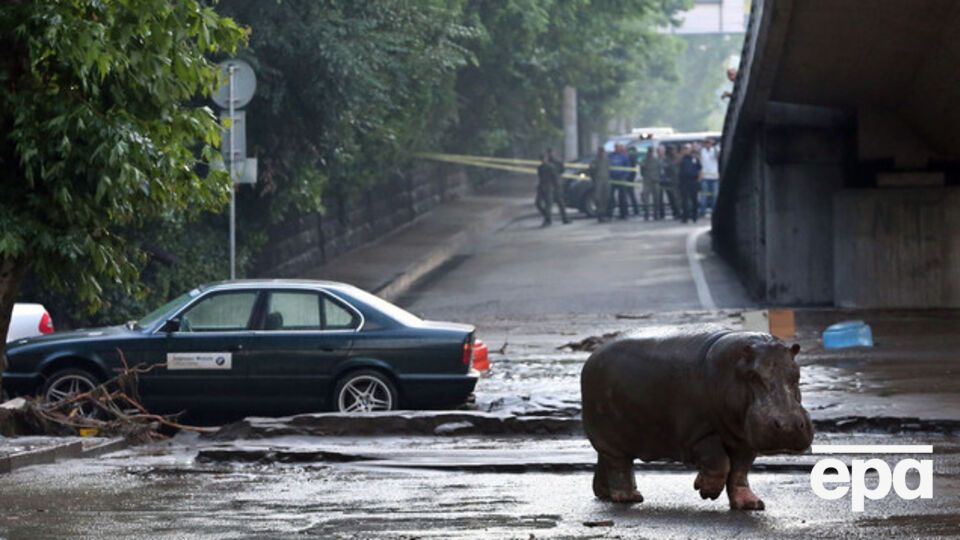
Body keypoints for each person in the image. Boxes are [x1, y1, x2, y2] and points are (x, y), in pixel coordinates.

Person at [537, 152, 570, 226]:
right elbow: (541, 178)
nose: (543, 160)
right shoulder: (541, 167)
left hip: (552, 187)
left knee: (557, 203)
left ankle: (561, 219)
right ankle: (549, 219)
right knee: (546, 204)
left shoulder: (551, 166)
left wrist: (558, 187)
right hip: (547, 187)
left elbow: (556, 177)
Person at [678, 143, 702, 223]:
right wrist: (682, 154)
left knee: (694, 199)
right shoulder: (682, 158)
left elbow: (700, 169)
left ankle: (695, 216)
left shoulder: (695, 158)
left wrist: (699, 179)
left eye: (688, 149)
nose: (687, 150)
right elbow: (677, 163)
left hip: (693, 181)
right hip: (684, 181)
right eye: (685, 149)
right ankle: (685, 217)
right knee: (684, 200)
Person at [608, 143, 632, 220]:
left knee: (622, 197)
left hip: (621, 179)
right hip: (612, 179)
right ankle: (609, 213)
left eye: (618, 148)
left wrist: (625, 177)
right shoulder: (611, 156)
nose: (617, 149)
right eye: (616, 148)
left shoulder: (624, 157)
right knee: (610, 197)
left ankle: (624, 214)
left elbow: (627, 168)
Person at [699, 138, 720, 217]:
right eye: (706, 143)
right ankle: (702, 211)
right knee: (704, 195)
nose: (708, 144)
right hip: (705, 177)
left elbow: (717, 156)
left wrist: (714, 146)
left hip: (714, 177)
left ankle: (714, 211)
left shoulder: (715, 150)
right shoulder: (702, 151)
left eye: (709, 143)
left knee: (715, 195)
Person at [640, 146, 662, 221]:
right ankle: (646, 214)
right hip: (647, 181)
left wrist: (658, 178)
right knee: (646, 199)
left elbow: (660, 170)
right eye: (649, 151)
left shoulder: (657, 160)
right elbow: (642, 170)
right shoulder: (644, 160)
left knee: (656, 199)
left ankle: (656, 215)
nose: (650, 153)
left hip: (655, 181)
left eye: (651, 151)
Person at [589, 146, 610, 223]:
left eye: (602, 152)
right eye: (600, 152)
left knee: (606, 197)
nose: (601, 153)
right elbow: (591, 171)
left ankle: (603, 213)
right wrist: (594, 179)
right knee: (598, 198)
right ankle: (599, 214)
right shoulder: (595, 161)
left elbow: (608, 169)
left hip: (606, 180)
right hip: (598, 181)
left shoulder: (606, 160)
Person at [660, 145, 680, 220]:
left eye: (674, 150)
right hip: (670, 182)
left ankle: (679, 212)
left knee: (678, 198)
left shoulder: (678, 158)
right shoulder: (666, 159)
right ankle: (675, 213)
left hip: (678, 181)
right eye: (672, 150)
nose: (673, 151)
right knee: (672, 199)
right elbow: (665, 168)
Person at [625, 146, 640, 216]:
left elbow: (632, 170)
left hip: (629, 179)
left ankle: (635, 210)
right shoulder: (633, 158)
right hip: (630, 178)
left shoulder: (631, 158)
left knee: (630, 195)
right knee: (631, 195)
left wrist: (629, 178)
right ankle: (635, 210)